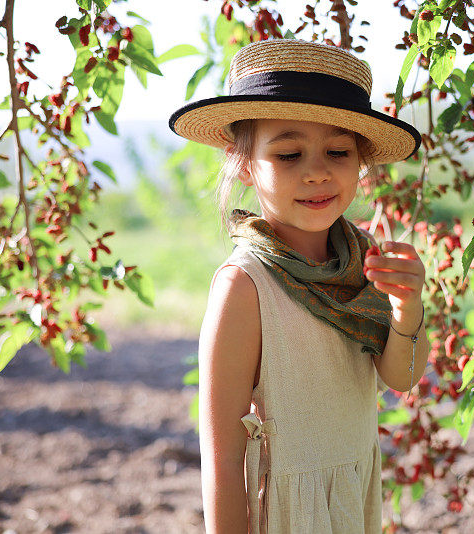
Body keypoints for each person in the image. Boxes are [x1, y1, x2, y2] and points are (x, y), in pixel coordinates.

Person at [169, 38, 429, 534]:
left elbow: (402, 376)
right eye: (288, 154)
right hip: (287, 513)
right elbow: (221, 456)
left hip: (352, 500)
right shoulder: (245, 287)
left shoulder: (362, 261)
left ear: (361, 163)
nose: (316, 172)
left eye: (337, 151)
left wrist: (407, 307)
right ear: (244, 163)